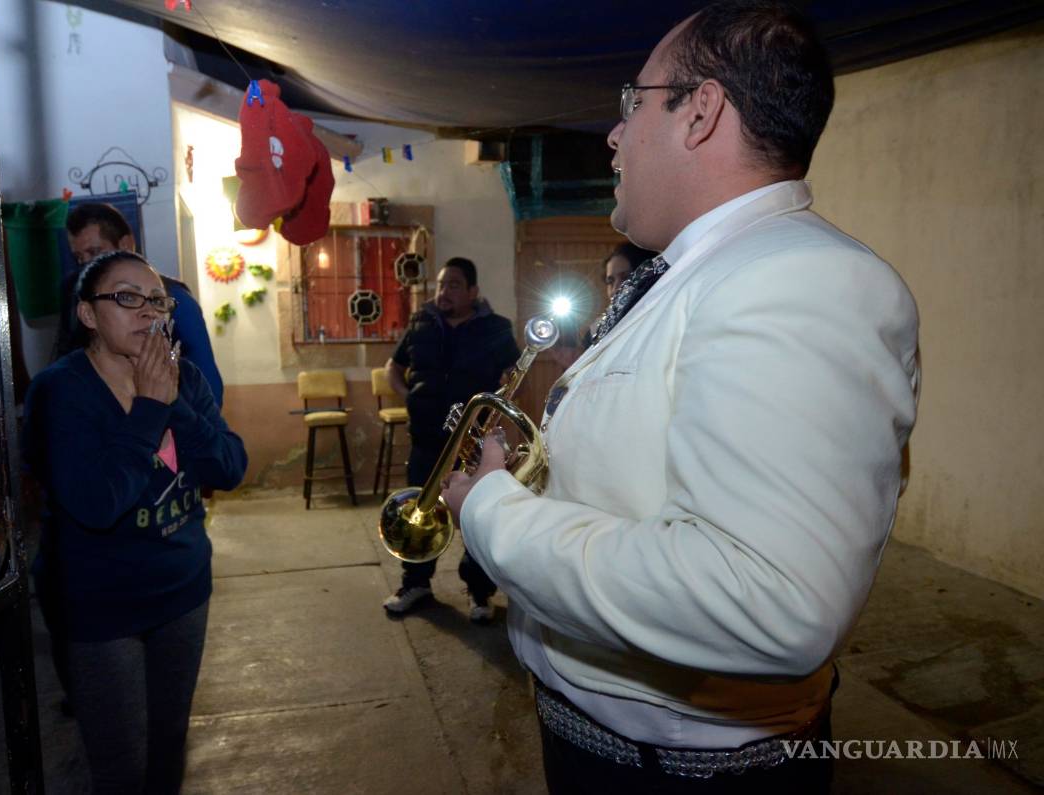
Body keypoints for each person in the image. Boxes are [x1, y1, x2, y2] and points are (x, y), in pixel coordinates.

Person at [443, 2, 920, 792]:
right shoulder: (706, 272)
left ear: (701, 112)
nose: (614, 134)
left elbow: (765, 597)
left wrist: (494, 509)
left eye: (633, 103)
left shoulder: (797, 280)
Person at [23, 250, 247, 793]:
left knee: (170, 742)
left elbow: (230, 466)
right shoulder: (61, 392)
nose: (147, 311)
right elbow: (97, 504)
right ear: (88, 315)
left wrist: (175, 403)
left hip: (183, 593)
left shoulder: (182, 376)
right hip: (103, 606)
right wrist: (150, 407)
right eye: (126, 297)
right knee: (120, 763)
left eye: (156, 300)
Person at [382, 257, 521, 623]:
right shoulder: (421, 322)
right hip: (426, 438)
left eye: (454, 285)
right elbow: (393, 368)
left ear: (474, 291)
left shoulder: (496, 328)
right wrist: (408, 395)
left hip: (472, 446)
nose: (444, 292)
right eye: (442, 284)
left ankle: (479, 592)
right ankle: (416, 584)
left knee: (475, 515)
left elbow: (513, 373)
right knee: (419, 511)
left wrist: (495, 414)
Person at [56, 202, 224, 406]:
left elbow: (208, 382)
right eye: (79, 258)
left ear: (126, 244)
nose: (87, 266)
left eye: (95, 252)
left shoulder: (175, 297)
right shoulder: (75, 296)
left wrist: (187, 420)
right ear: (87, 314)